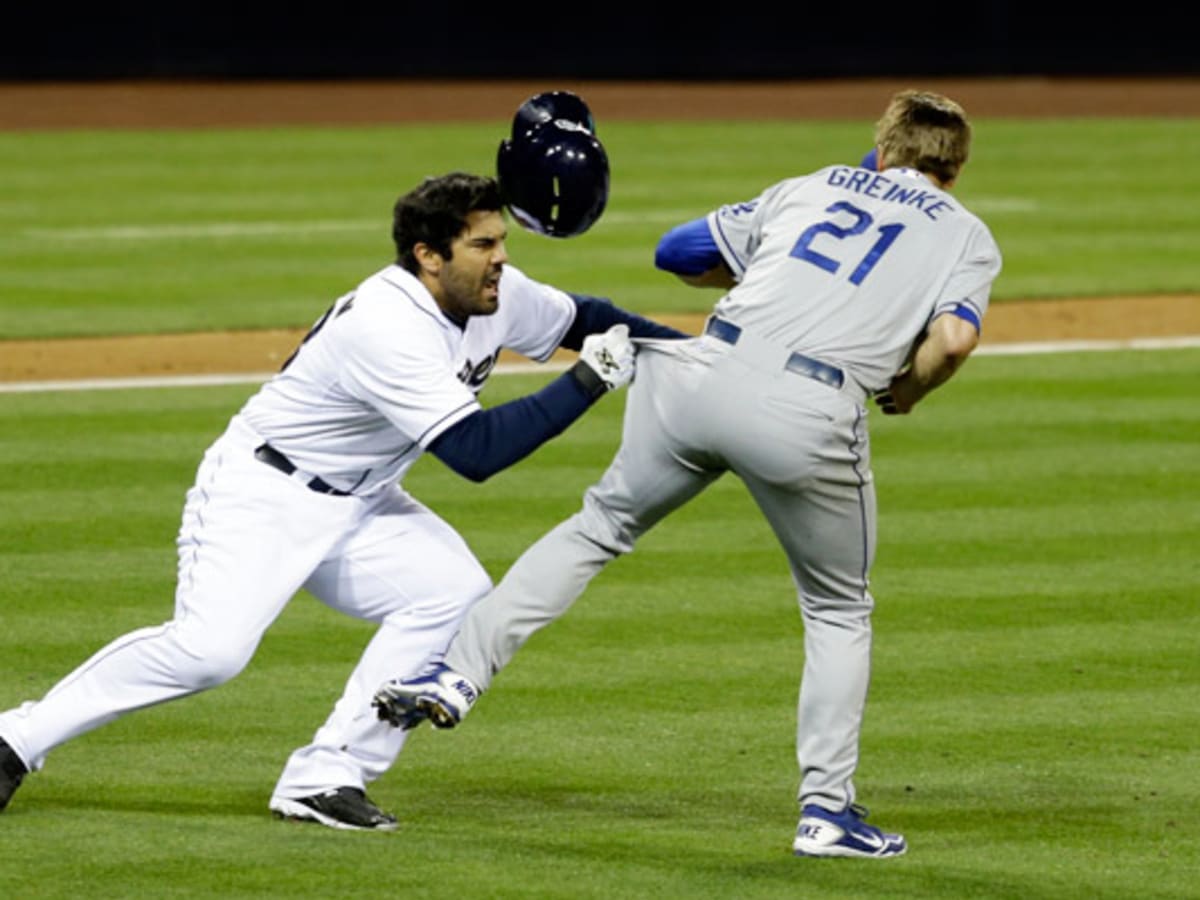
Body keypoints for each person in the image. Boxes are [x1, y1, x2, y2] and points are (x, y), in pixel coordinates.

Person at [373, 90, 1003, 859]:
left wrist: (759, 268)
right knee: (839, 608)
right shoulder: (968, 236)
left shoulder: (811, 186)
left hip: (698, 373)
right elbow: (954, 341)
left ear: (882, 148)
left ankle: (456, 674)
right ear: (956, 167)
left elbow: (676, 253)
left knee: (597, 527)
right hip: (806, 412)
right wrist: (905, 391)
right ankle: (826, 812)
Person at [0, 168, 688, 831]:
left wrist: (704, 355)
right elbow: (477, 454)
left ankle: (327, 776)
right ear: (428, 255)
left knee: (453, 593)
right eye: (483, 244)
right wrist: (587, 384)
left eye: (501, 241)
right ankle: (16, 738)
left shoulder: (490, 292)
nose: (501, 258)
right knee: (209, 652)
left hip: (362, 501)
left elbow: (587, 318)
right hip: (264, 491)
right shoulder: (388, 324)